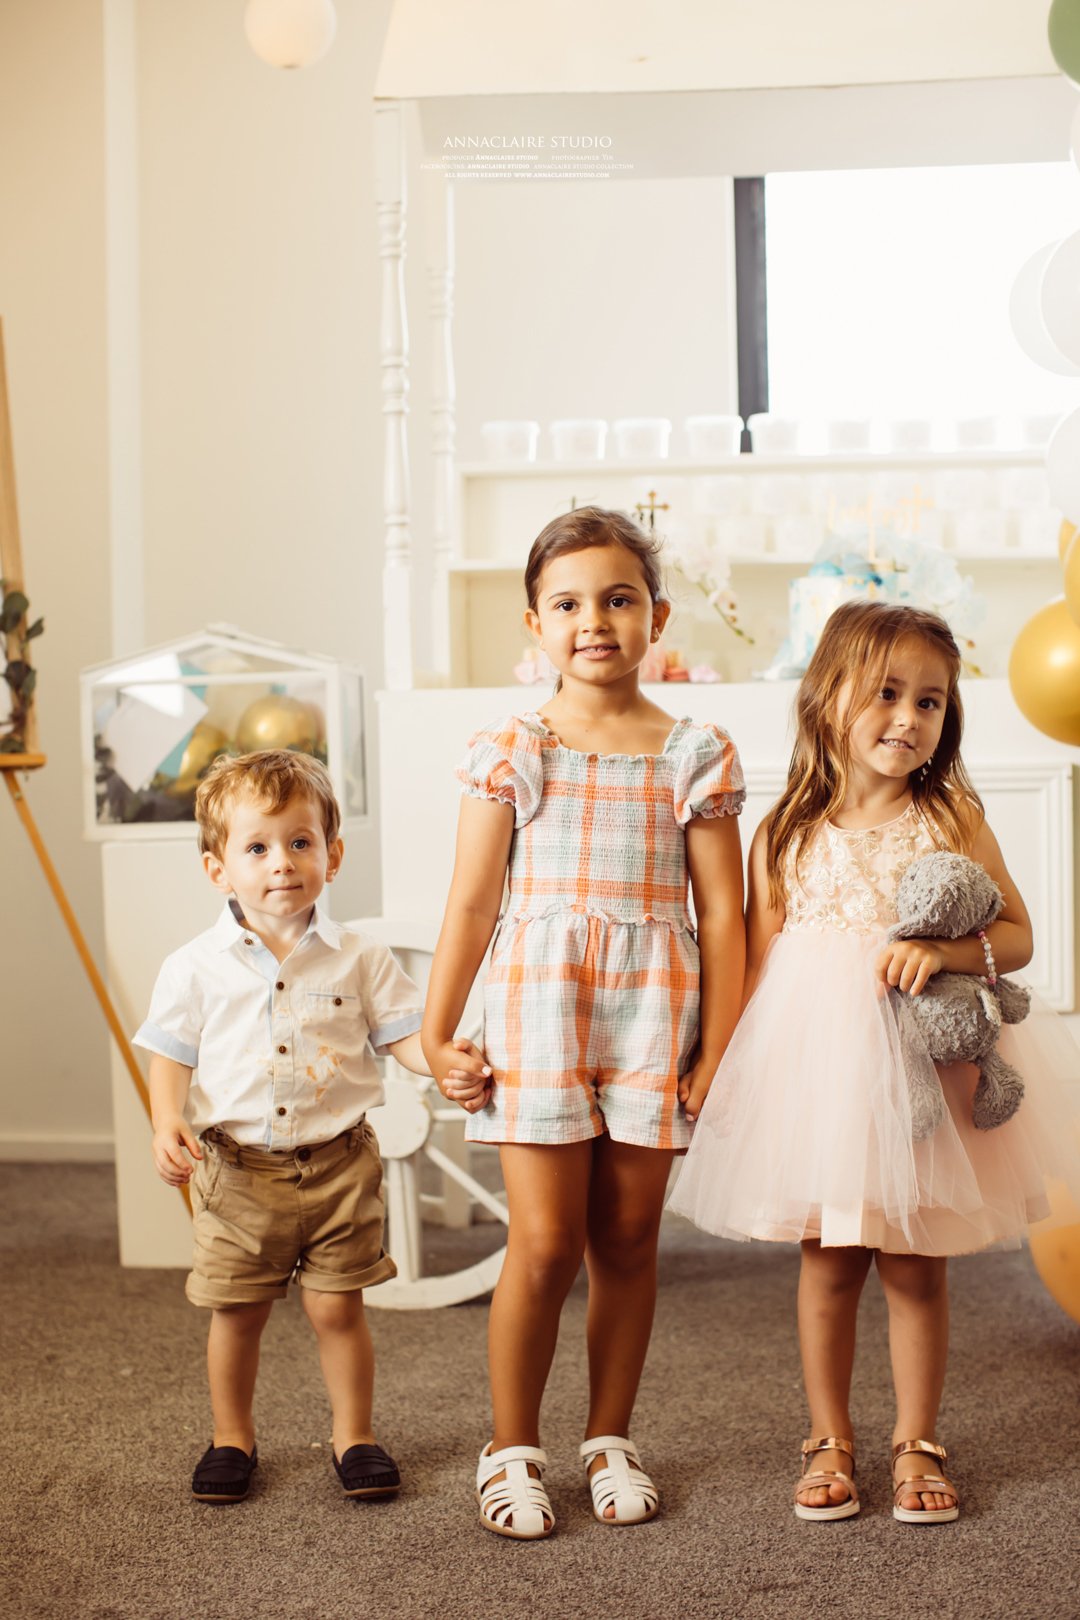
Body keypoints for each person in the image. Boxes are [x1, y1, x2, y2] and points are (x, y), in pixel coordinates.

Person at [669, 599, 1080, 1526]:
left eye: (930, 701)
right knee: (828, 1260)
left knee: (915, 1263)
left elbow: (1015, 936)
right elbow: (759, 961)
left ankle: (917, 1441)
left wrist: (944, 953)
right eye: (887, 693)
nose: (908, 716)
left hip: (920, 1073)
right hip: (818, 1074)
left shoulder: (951, 816)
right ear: (828, 698)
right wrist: (727, 1072)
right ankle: (828, 1437)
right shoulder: (785, 830)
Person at [421, 506, 747, 1539]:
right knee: (548, 1239)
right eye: (568, 603)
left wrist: (719, 1050)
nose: (594, 620)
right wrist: (438, 1035)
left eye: (618, 598)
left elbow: (725, 916)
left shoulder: (696, 751)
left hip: (657, 1009)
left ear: (654, 615)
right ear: (534, 623)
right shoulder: (516, 747)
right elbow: (471, 903)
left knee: (629, 1236)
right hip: (539, 1010)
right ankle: (510, 1446)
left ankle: (610, 1436)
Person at [138, 750, 474, 1504]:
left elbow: (403, 1039)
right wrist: (167, 1121)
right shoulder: (195, 966)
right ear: (218, 869)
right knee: (240, 1312)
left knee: (338, 1308)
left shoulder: (361, 956)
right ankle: (232, 1437)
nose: (281, 863)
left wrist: (444, 1061)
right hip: (236, 1173)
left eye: (300, 842)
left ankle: (354, 1434)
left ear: (333, 853)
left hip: (338, 1167)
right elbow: (170, 1052)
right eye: (256, 848)